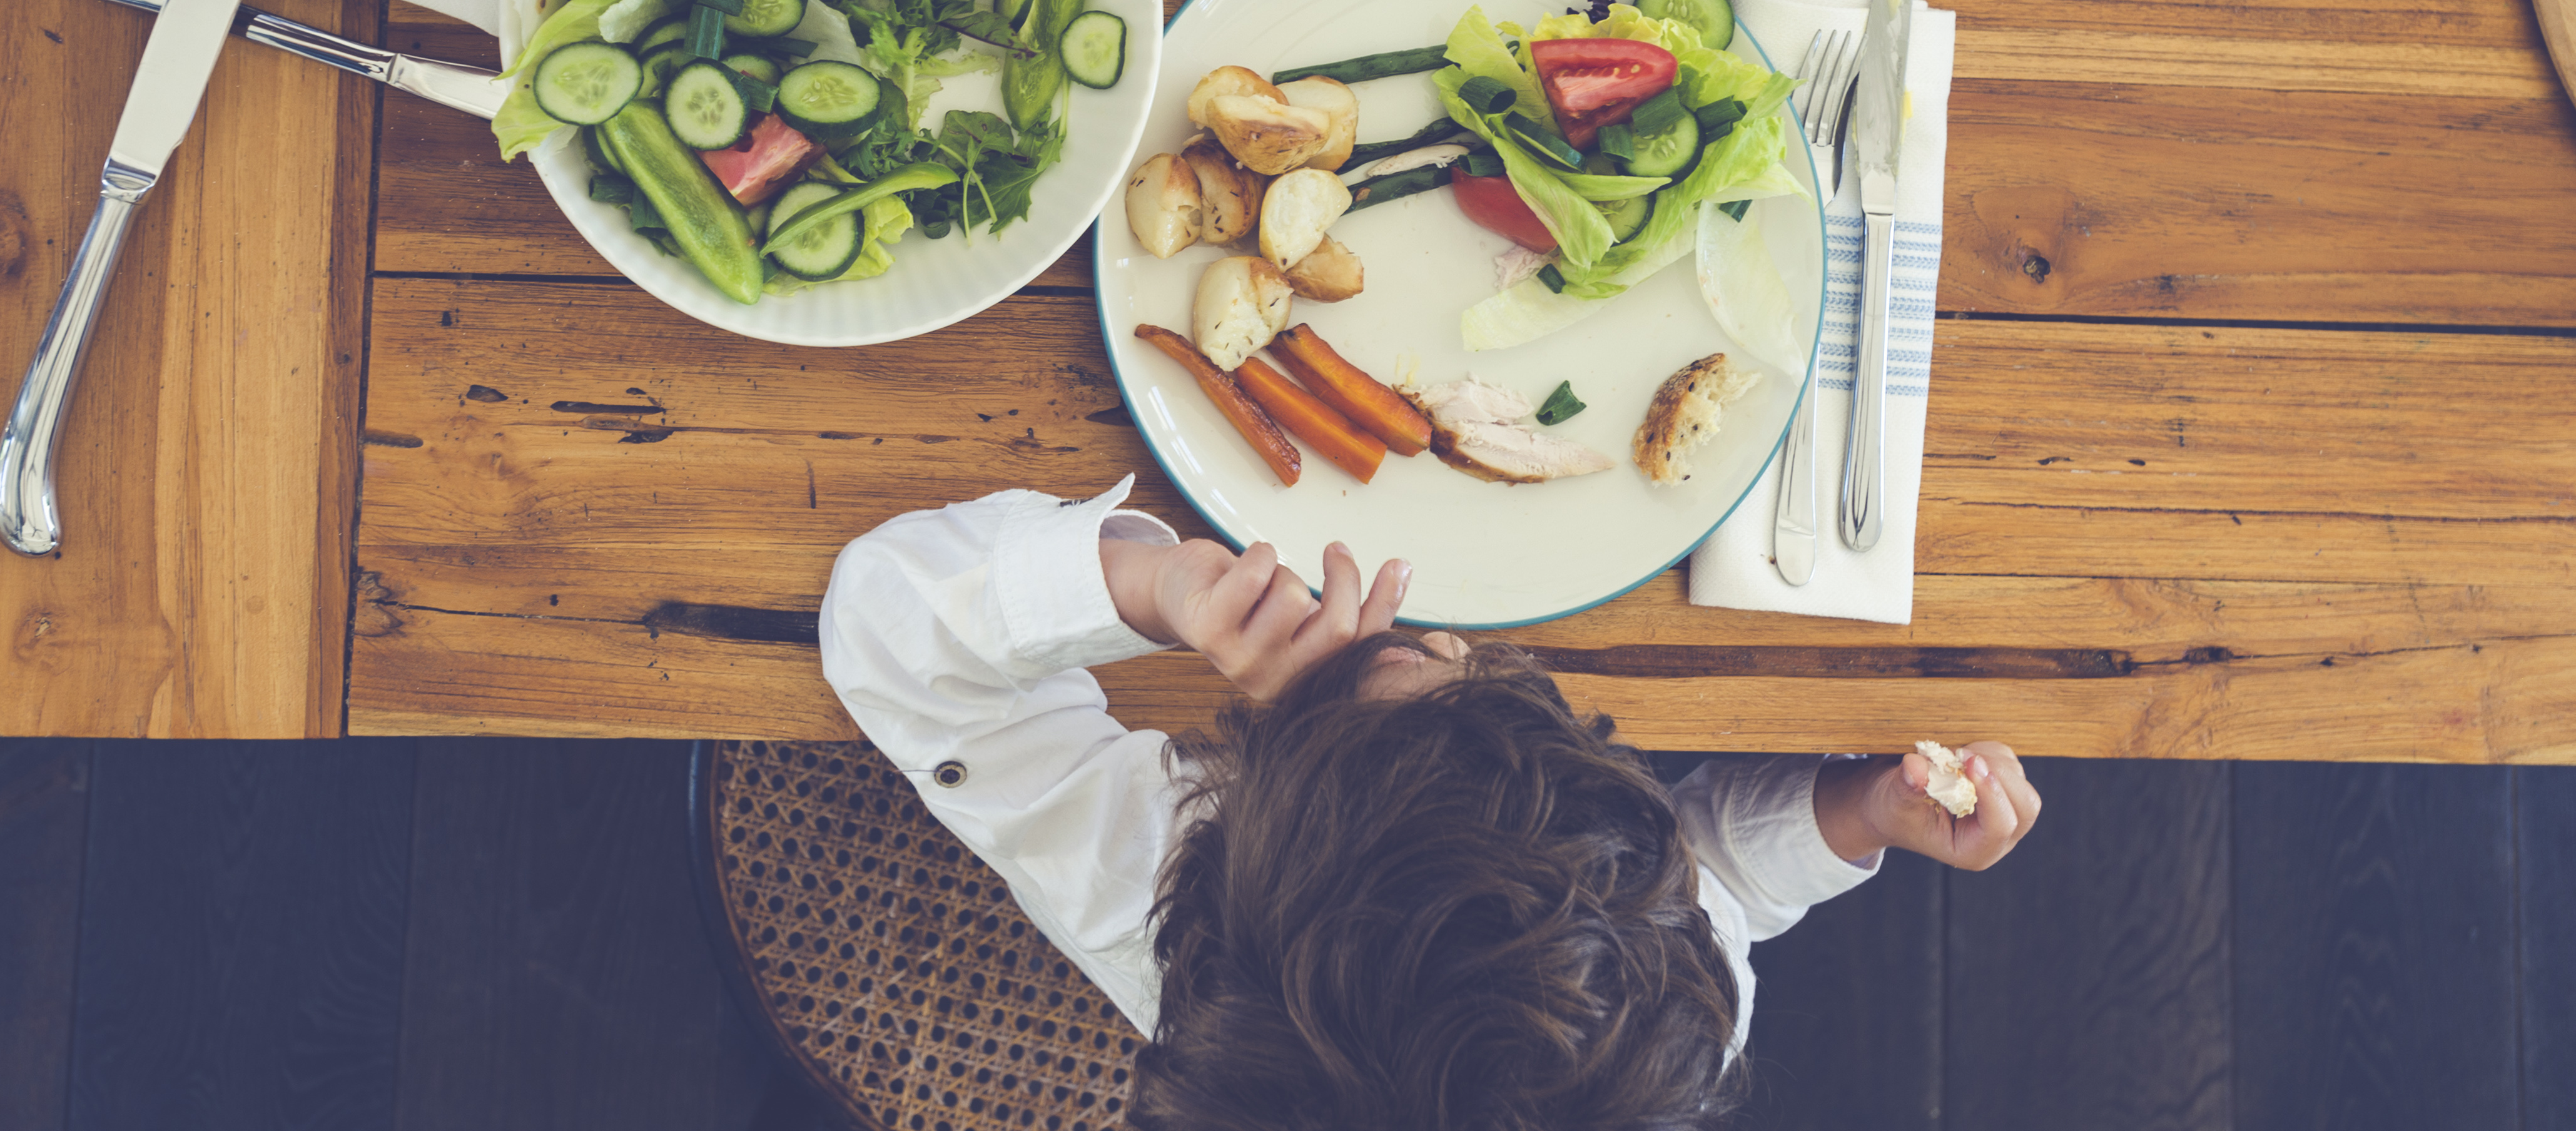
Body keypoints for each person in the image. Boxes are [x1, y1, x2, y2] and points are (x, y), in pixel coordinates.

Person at [820, 483, 2044, 1128]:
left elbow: (883, 623)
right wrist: (1863, 811)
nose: (1443, 635)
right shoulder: (1640, 1031)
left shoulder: (1154, 884)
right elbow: (1721, 880)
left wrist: (1155, 588)